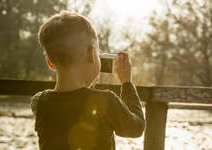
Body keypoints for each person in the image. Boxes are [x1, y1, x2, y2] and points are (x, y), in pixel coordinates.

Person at [31, 11, 145, 150]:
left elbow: (71, 105)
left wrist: (88, 84)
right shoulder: (106, 101)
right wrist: (127, 83)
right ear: (91, 54)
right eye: (98, 53)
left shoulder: (39, 103)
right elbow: (136, 127)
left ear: (50, 63)